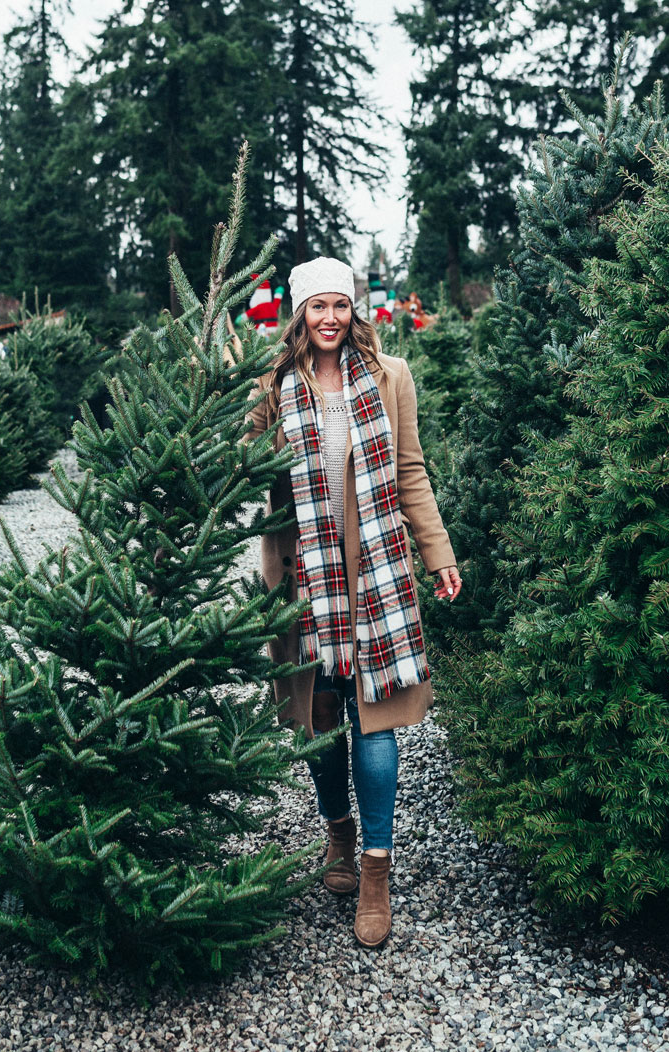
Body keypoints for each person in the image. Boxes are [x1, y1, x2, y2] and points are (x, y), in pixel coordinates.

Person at [245, 256, 461, 947]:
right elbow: (239, 464)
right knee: (319, 719)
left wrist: (439, 552)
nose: (331, 318)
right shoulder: (275, 385)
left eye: (341, 305)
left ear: (355, 309)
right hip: (305, 576)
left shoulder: (391, 375)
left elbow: (410, 471)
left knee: (376, 723)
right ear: (299, 316)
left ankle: (376, 866)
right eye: (318, 307)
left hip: (378, 572)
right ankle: (336, 834)